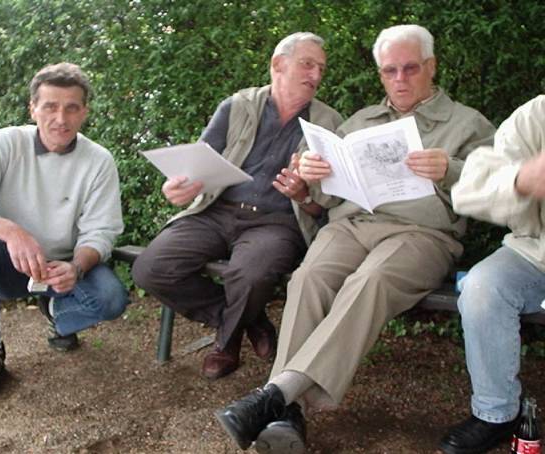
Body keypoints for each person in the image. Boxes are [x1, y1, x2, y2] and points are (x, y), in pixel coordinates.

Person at [215, 24, 496, 453]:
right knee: (308, 278)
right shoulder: (361, 122)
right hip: (351, 225)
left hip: (422, 233)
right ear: (380, 74)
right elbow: (326, 197)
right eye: (389, 71)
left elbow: (497, 190)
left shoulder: (467, 124)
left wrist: (451, 170)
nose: (399, 79)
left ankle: (277, 394)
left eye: (410, 68)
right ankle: (287, 412)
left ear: (431, 66)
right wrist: (312, 176)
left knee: (370, 281)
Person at [131, 32, 343, 380]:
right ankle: (250, 320)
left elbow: (329, 205)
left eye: (321, 68)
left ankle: (226, 343)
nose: (316, 75)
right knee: (150, 269)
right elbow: (197, 165)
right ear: (278, 64)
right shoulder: (237, 106)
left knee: (252, 275)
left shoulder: (329, 123)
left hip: (277, 222)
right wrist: (180, 186)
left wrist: (303, 194)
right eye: (308, 64)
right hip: (217, 210)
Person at [0, 62, 130, 398]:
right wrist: (11, 232)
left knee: (112, 298)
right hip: (7, 263)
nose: (61, 118)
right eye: (50, 106)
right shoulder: (6, 143)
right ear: (33, 109)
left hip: (62, 265)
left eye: (72, 108)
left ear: (84, 112)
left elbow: (101, 230)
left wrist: (76, 267)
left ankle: (54, 309)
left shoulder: (99, 160)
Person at [438, 96, 545, 453]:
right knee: (483, 286)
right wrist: (520, 179)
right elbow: (469, 190)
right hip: (536, 253)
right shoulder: (536, 116)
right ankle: (496, 413)